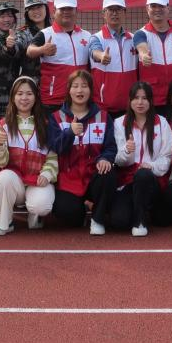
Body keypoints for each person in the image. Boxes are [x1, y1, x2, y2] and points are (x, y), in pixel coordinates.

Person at [50, 70, 116, 235]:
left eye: (84, 86)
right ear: (69, 90)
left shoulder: (103, 117)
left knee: (108, 172)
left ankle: (98, 219)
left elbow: (111, 147)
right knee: (68, 215)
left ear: (91, 90)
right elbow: (56, 147)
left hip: (94, 175)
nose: (80, 90)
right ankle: (82, 211)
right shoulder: (56, 117)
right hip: (69, 178)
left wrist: (105, 158)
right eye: (75, 86)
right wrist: (70, 133)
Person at [0, 76, 58, 235]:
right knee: (3, 177)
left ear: (36, 97)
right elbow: (1, 162)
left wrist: (47, 174)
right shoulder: (4, 124)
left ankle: (35, 215)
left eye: (29, 94)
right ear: (13, 97)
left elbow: (52, 156)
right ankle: (5, 222)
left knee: (42, 206)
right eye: (19, 94)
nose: (24, 98)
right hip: (16, 183)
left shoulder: (46, 124)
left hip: (37, 181)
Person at [105, 81, 172, 237]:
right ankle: (136, 209)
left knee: (143, 175)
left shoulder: (161, 123)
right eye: (136, 98)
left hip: (152, 180)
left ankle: (140, 221)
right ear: (130, 100)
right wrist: (127, 151)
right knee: (119, 221)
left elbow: (167, 156)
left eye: (144, 98)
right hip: (128, 181)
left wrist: (151, 166)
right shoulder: (119, 123)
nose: (140, 102)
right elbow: (118, 160)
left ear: (151, 101)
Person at [24, 0, 92, 110]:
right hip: (53, 99)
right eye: (62, 9)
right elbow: (30, 50)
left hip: (79, 97)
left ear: (76, 11)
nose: (66, 12)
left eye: (70, 8)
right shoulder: (45, 33)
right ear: (54, 11)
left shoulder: (87, 35)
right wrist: (42, 49)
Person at [88, 0, 138, 119]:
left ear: (125, 13)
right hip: (104, 106)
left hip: (130, 105)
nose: (115, 13)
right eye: (111, 9)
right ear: (103, 13)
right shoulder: (96, 37)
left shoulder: (133, 38)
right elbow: (94, 51)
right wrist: (101, 56)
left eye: (118, 9)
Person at [16, 0, 50, 85]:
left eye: (39, 7)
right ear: (27, 13)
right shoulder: (22, 33)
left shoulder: (54, 30)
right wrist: (10, 46)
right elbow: (16, 47)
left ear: (46, 9)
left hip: (52, 80)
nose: (36, 11)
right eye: (31, 9)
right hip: (30, 83)